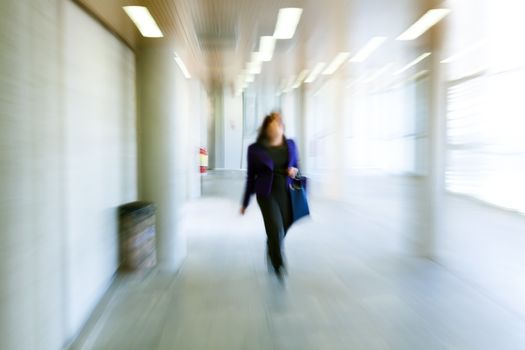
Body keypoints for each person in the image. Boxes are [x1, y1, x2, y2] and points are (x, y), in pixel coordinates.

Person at [240, 112, 300, 281]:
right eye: (272, 125)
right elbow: (251, 176)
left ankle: (271, 245)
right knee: (275, 228)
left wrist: (294, 171)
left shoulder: (291, 145)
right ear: (266, 128)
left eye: (278, 124)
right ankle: (278, 263)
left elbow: (297, 168)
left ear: (282, 127)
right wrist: (245, 202)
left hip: (286, 192)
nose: (276, 128)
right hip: (266, 194)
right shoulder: (255, 150)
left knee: (282, 228)